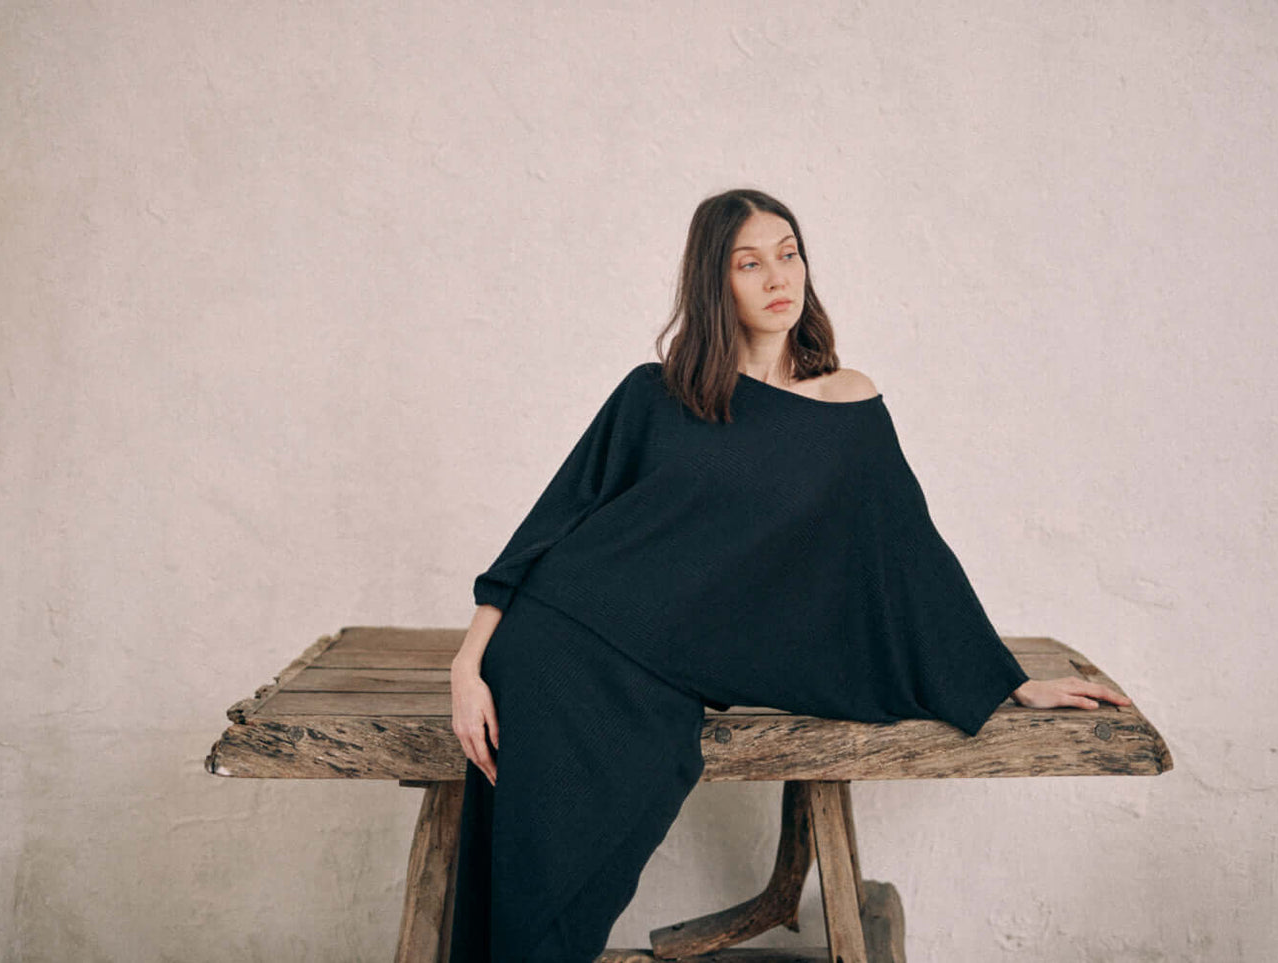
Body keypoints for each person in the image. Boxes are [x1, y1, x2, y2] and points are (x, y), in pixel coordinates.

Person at [446, 188, 1130, 962]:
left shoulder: (846, 405)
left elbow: (907, 554)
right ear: (716, 282)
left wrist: (1004, 679)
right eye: (748, 262)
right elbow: (550, 524)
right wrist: (468, 664)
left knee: (569, 885)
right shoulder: (656, 393)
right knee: (523, 877)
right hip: (554, 644)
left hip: (660, 681)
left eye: (788, 252)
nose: (778, 276)